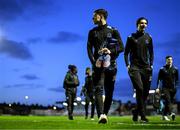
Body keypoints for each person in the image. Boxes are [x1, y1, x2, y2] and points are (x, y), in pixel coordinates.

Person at [87, 9, 124, 124]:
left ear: (101, 16)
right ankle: (101, 115)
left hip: (111, 65)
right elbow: (88, 48)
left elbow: (122, 47)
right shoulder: (92, 32)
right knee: (98, 89)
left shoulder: (113, 30)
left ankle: (104, 114)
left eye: (94, 16)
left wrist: (110, 51)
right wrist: (93, 62)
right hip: (97, 66)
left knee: (109, 92)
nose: (92, 18)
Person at [124, 17, 154, 122]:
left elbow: (151, 52)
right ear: (137, 24)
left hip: (146, 68)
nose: (144, 25)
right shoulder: (131, 37)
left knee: (145, 93)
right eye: (142, 23)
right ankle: (142, 115)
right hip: (134, 68)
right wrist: (127, 65)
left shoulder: (149, 37)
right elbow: (126, 52)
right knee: (139, 89)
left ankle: (136, 111)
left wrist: (151, 65)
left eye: (145, 23)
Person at [156, 56, 179, 121]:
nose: (170, 60)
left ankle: (164, 115)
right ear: (166, 60)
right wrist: (157, 88)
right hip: (165, 88)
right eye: (168, 59)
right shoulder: (162, 69)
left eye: (171, 59)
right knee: (168, 100)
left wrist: (176, 87)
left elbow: (177, 80)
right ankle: (171, 113)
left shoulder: (175, 69)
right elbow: (159, 79)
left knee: (169, 102)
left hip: (173, 89)